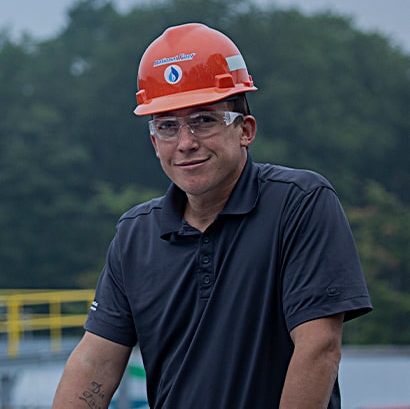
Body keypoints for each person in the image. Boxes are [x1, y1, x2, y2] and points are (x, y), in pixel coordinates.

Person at [53, 23, 372, 408]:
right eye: (168, 126)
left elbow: (319, 346)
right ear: (155, 143)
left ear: (245, 130)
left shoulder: (299, 204)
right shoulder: (135, 236)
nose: (186, 143)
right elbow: (94, 361)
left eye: (204, 120)